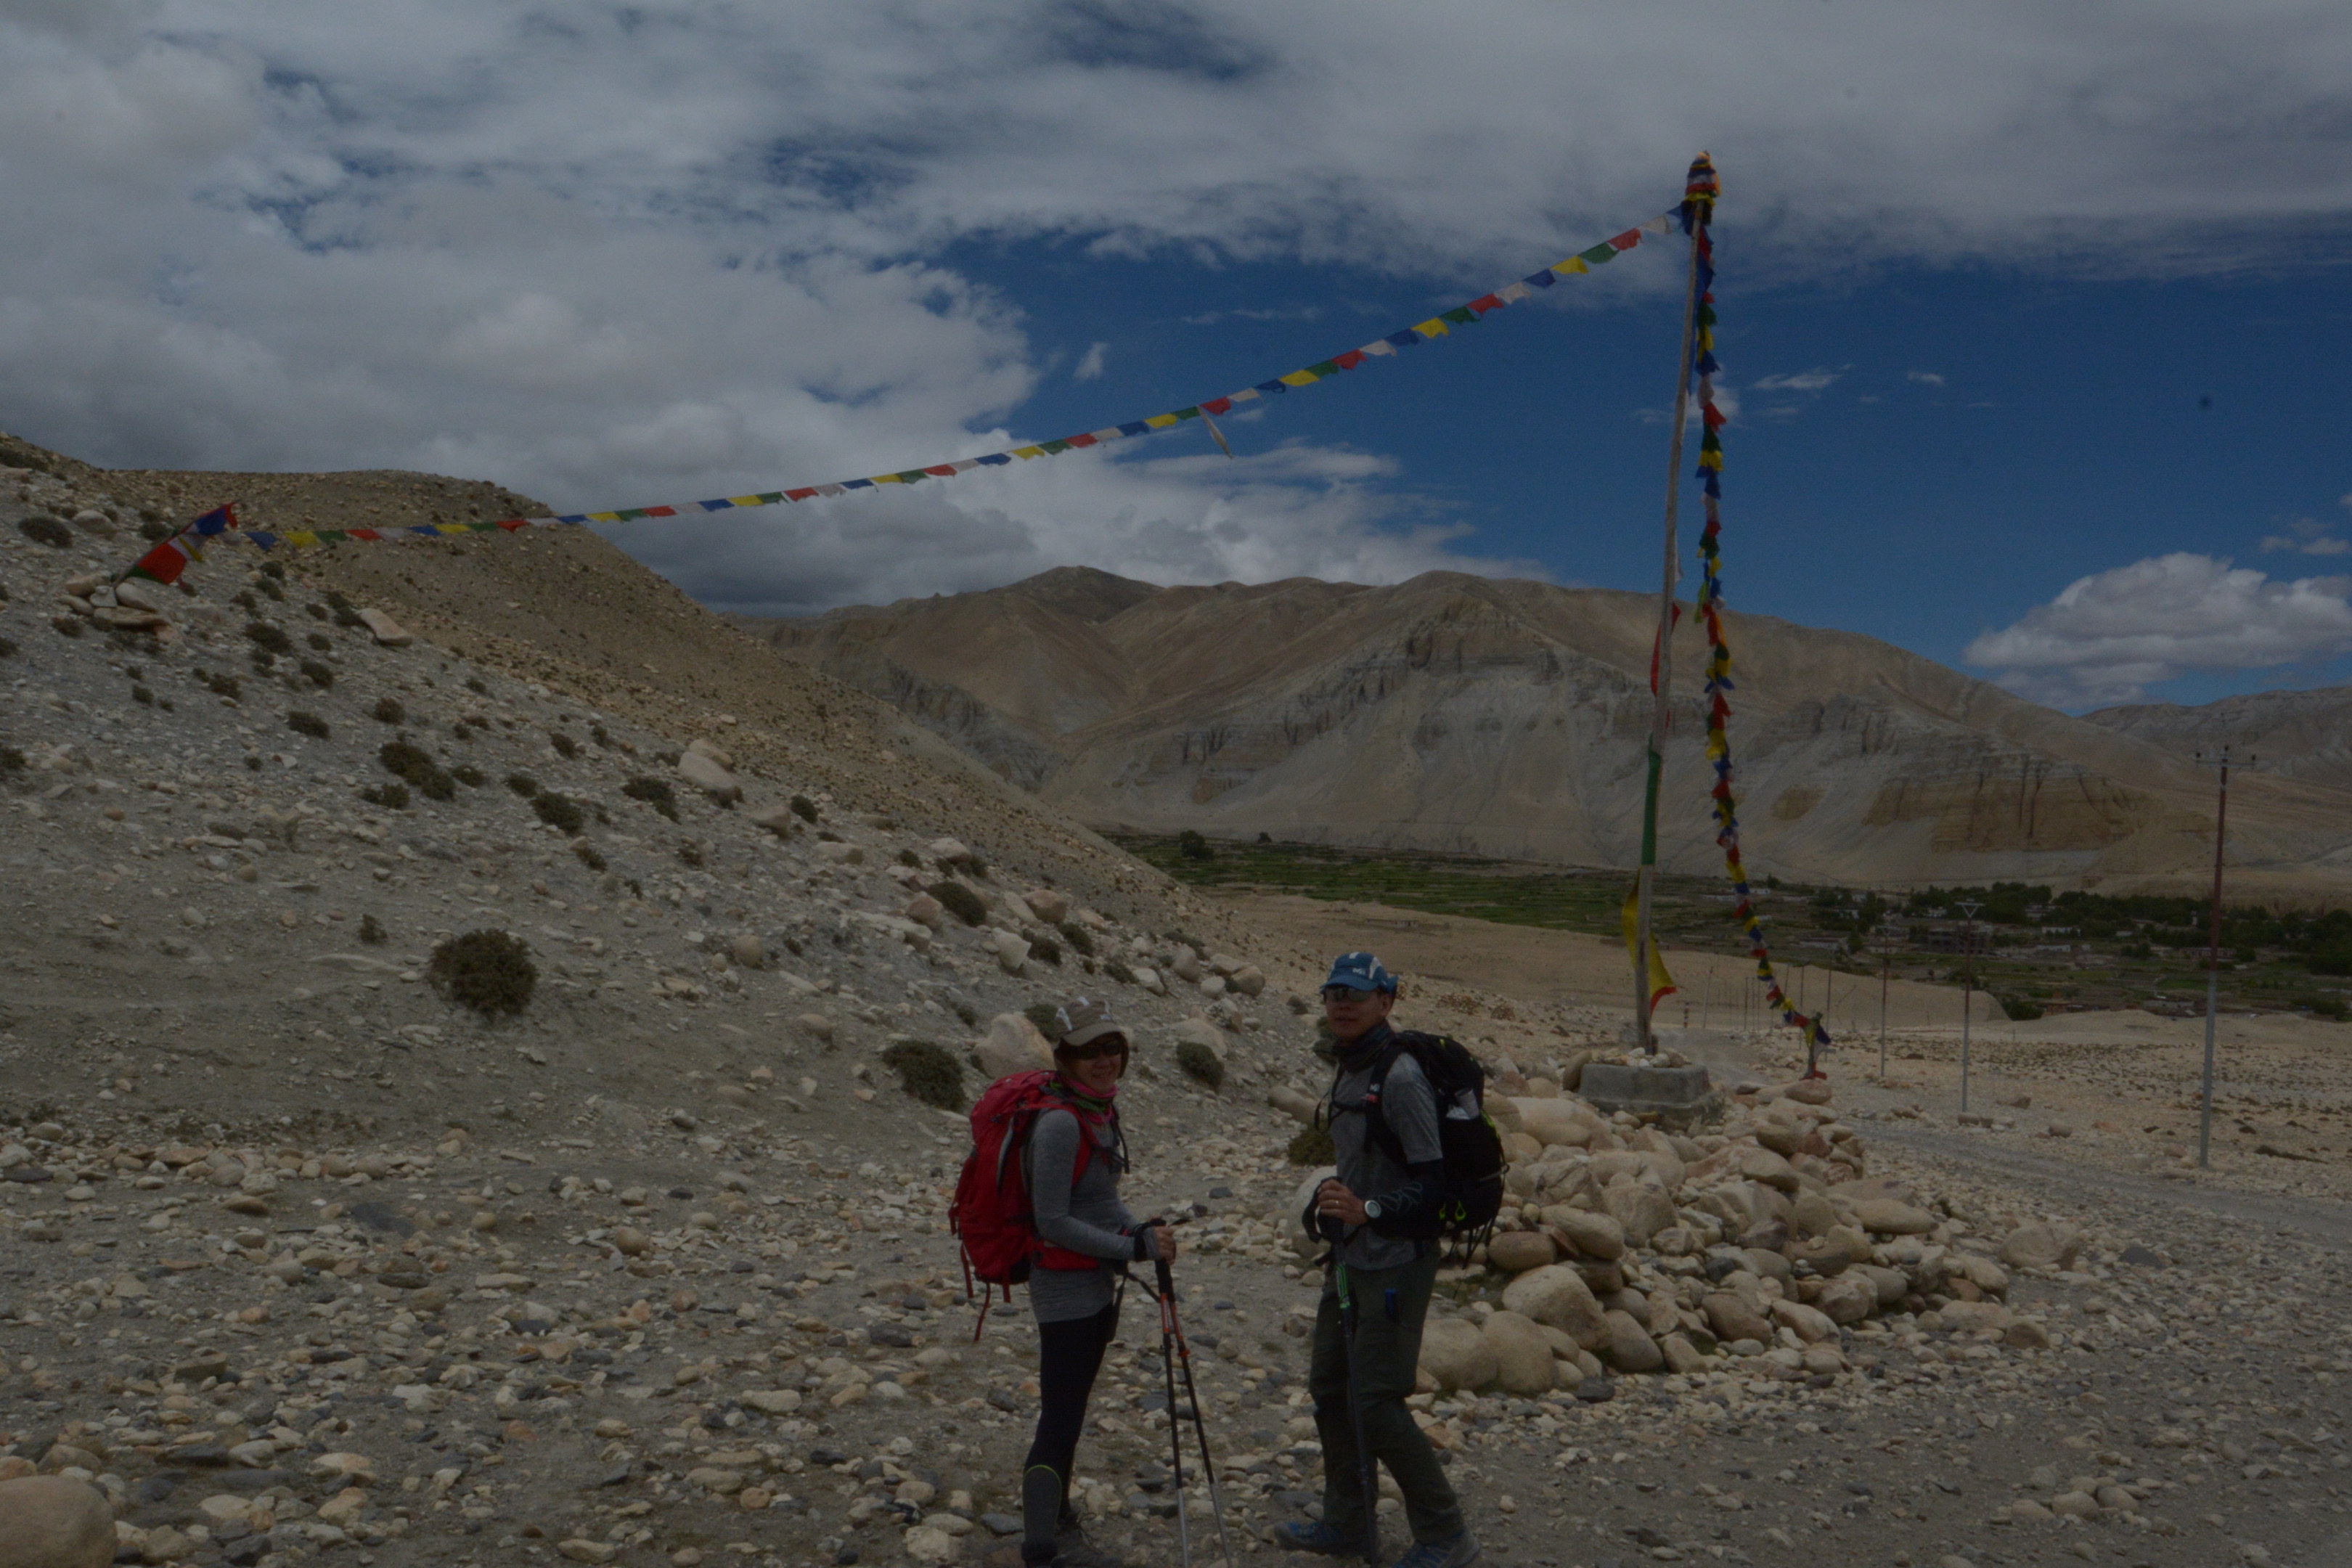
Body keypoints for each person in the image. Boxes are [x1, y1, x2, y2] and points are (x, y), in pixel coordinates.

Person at [1277, 953, 1479, 1568]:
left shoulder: (1401, 1077)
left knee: (1376, 1401)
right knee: (1330, 1388)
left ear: (1386, 1002)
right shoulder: (1350, 1065)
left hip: (1397, 1260)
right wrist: (1340, 1201)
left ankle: (1447, 1534)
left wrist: (1369, 1209)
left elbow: (1433, 1184)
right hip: (1350, 1256)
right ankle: (1347, 1523)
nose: (1342, 1004)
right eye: (1334, 993)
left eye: (1357, 995)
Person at [1018, 998, 1176, 1568]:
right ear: (1064, 1058)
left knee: (1070, 1409)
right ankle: (1041, 1548)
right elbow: (1052, 1221)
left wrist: (1139, 1230)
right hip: (1064, 1291)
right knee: (1060, 1415)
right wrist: (1131, 1247)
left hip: (1092, 1286)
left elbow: (1102, 1202)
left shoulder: (1097, 1110)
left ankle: (1058, 1522)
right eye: (1089, 1051)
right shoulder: (1062, 1123)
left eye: (1113, 1047)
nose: (1105, 1059)